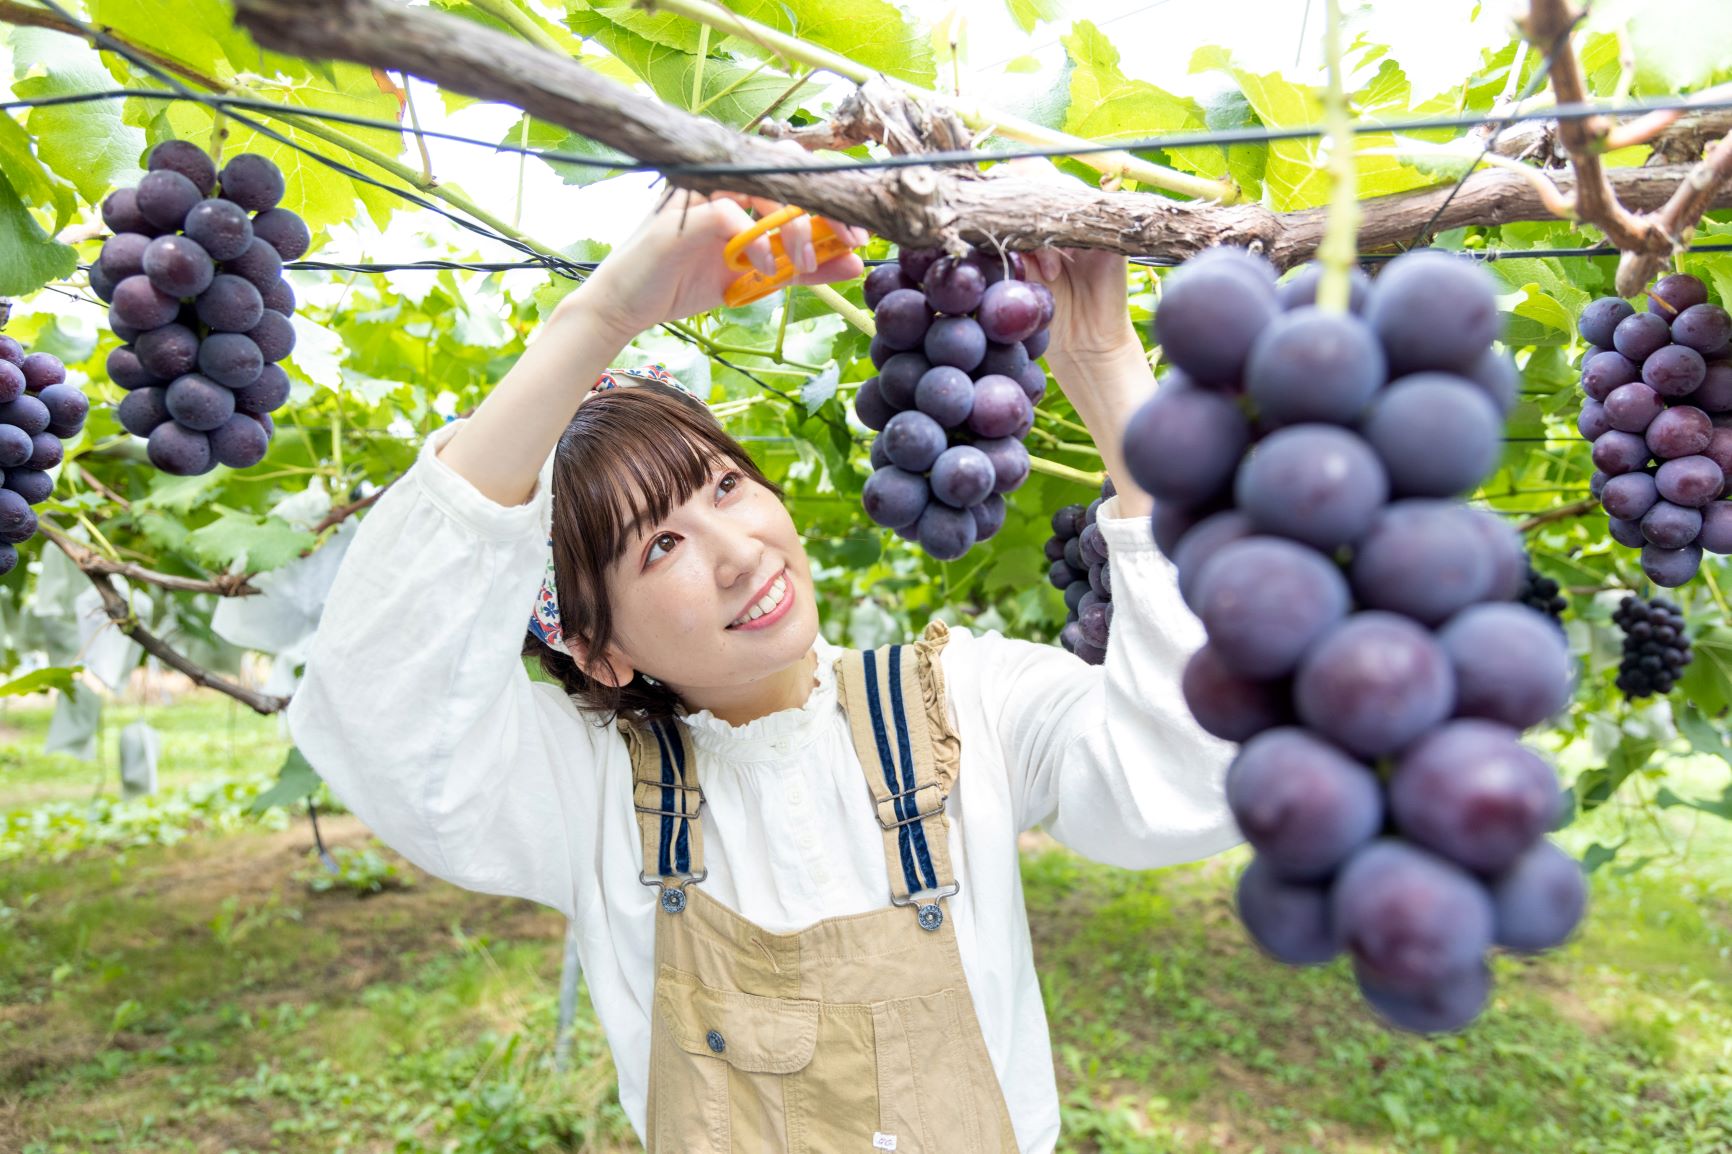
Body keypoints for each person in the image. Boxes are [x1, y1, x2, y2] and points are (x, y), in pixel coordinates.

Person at [287, 172, 1241, 1154]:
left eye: (727, 486)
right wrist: (605, 312)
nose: (740, 549)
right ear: (597, 649)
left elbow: (1183, 779)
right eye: (658, 546)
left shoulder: (968, 702)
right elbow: (380, 699)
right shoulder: (588, 789)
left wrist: (1106, 364)